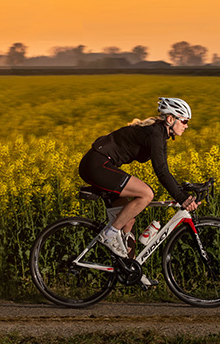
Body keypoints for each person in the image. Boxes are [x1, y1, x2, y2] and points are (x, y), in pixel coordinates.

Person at [77, 97, 199, 259]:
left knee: (128, 221)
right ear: (170, 119)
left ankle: (131, 268)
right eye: (184, 121)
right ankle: (109, 234)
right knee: (146, 194)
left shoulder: (160, 134)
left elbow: (165, 170)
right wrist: (182, 198)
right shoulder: (155, 133)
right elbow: (161, 171)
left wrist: (182, 190)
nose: (186, 126)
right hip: (96, 165)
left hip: (102, 165)